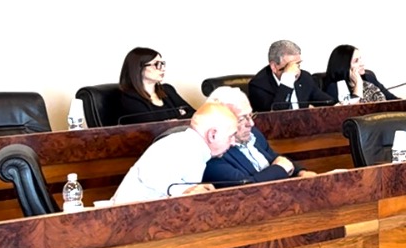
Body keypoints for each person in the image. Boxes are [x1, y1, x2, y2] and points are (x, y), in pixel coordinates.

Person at [110, 103, 239, 203]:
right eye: (231, 136)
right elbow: (151, 177)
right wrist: (187, 191)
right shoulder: (177, 146)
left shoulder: (194, 148)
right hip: (128, 221)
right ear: (213, 135)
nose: (234, 142)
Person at [202, 87, 316, 186]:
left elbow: (274, 157)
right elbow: (245, 188)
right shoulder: (214, 152)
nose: (251, 124)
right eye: (242, 119)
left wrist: (301, 173)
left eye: (251, 115)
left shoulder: (252, 133)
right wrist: (280, 169)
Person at [248, 39, 335, 112]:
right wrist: (287, 80)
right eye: (290, 67)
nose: (297, 71)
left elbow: (328, 102)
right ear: (274, 67)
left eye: (298, 64)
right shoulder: (258, 86)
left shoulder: (304, 77)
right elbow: (275, 117)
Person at [116, 47, 193, 124]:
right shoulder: (130, 98)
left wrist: (175, 121)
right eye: (156, 64)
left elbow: (193, 114)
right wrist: (181, 116)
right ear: (139, 68)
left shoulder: (167, 89)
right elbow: (151, 126)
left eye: (162, 64)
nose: (163, 69)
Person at [322, 44, 394, 104]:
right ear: (344, 66)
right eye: (356, 61)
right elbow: (352, 110)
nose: (362, 64)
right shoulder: (335, 87)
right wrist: (358, 83)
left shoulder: (369, 78)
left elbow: (393, 100)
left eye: (360, 59)